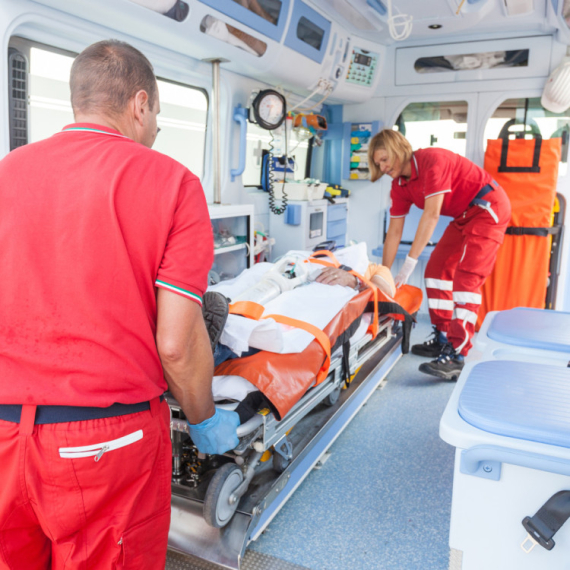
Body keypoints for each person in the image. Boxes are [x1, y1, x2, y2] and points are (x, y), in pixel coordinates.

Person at [0, 40, 239, 569]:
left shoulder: (6, 171)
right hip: (105, 442)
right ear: (139, 103)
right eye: (157, 115)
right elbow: (176, 344)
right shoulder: (173, 183)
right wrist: (202, 419)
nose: (156, 128)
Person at [368, 129, 511, 380]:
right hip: (463, 215)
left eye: (384, 159)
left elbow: (432, 214)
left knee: (466, 280)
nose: (383, 167)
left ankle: (457, 354)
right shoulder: (399, 185)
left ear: (398, 149)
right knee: (436, 270)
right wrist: (385, 274)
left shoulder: (432, 161)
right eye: (378, 163)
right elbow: (394, 231)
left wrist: (409, 264)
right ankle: (443, 336)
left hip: (488, 208)